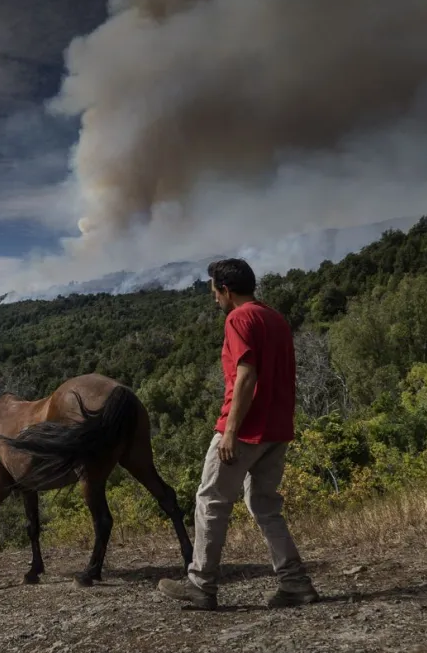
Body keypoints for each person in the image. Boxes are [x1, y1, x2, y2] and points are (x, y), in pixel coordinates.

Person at [157, 258, 319, 610]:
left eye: (214, 291)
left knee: (211, 499)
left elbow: (246, 375)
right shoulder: (275, 318)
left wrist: (230, 431)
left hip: (245, 428)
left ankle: (201, 584)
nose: (214, 298)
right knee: (264, 505)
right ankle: (295, 583)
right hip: (277, 429)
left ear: (226, 290)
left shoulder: (239, 318)